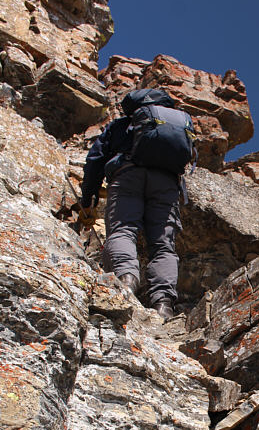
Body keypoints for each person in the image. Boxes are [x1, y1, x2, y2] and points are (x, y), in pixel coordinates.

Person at [79, 88, 190, 320]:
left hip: (127, 175)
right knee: (162, 246)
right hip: (167, 185)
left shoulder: (121, 125)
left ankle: (126, 282)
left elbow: (95, 160)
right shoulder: (175, 124)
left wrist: (88, 198)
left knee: (123, 230)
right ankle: (163, 304)